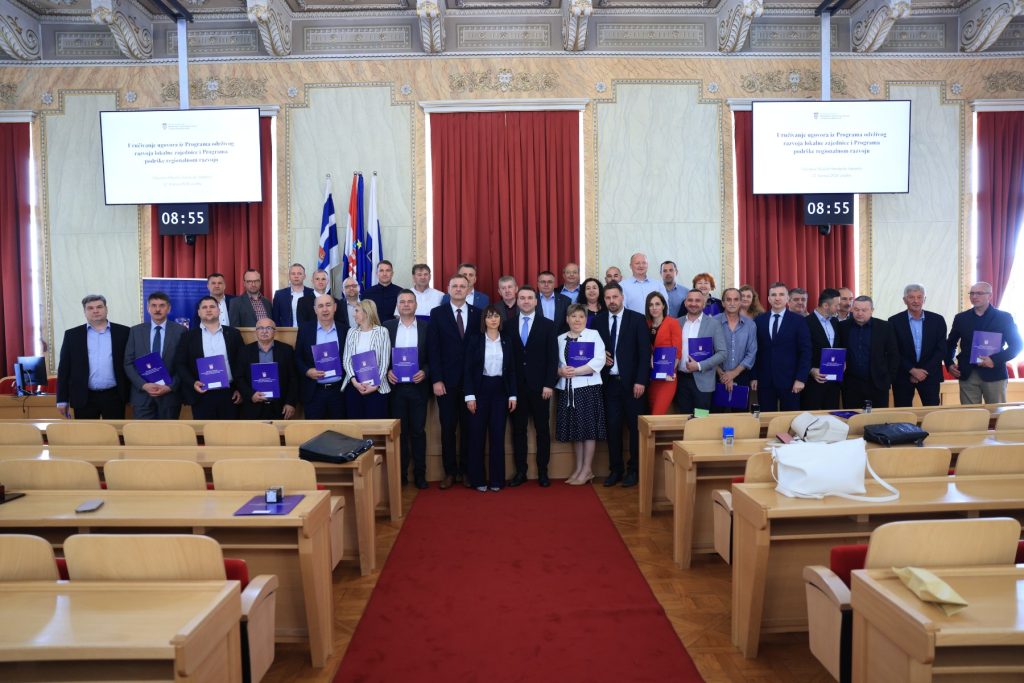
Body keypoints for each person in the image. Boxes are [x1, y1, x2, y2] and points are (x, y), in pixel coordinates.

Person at [428, 274, 482, 489]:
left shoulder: (478, 314)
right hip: (446, 382)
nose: (459, 289)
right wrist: (436, 379)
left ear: (469, 289)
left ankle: (467, 471)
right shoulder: (437, 313)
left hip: (472, 383)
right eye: (455, 286)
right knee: (448, 428)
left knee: (469, 428)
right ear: (448, 289)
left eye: (462, 286)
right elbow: (433, 349)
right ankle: (450, 472)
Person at [594, 282, 650, 487]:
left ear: (622, 297)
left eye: (615, 297)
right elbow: (593, 350)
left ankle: (633, 470)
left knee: (635, 430)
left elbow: (645, 354)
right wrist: (601, 356)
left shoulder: (637, 319)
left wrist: (641, 381)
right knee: (613, 428)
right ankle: (615, 470)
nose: (612, 301)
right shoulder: (598, 321)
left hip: (633, 385)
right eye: (608, 298)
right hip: (609, 384)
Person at [508, 285, 558, 487]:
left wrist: (549, 384)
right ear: (517, 301)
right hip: (517, 389)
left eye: (530, 298)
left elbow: (552, 358)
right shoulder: (507, 325)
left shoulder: (548, 325)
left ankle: (543, 472)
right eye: (522, 298)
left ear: (536, 301)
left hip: (541, 388)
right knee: (518, 431)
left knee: (542, 431)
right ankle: (521, 471)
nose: (526, 301)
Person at [464, 305, 517, 492]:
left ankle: (496, 480)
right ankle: (477, 479)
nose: (493, 319)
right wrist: (469, 396)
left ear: (501, 319)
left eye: (496, 316)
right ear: (484, 320)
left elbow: (512, 370)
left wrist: (513, 395)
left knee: (497, 436)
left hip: (500, 392)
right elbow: (468, 370)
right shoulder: (475, 340)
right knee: (476, 436)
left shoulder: (507, 340)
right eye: (489, 316)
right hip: (480, 391)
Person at [945, 281, 1023, 404]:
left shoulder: (1004, 317)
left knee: (996, 412)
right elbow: (950, 344)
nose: (974, 296)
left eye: (979, 293)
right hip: (967, 373)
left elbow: (1017, 345)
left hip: (994, 373)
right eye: (972, 293)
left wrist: (994, 360)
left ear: (990, 296)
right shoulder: (961, 318)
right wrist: (949, 363)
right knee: (970, 413)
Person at [384, 290, 431, 489]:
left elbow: (433, 356)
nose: (406, 304)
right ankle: (401, 475)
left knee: (418, 432)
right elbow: (382, 355)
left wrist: (425, 372)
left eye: (410, 301)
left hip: (418, 388)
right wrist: (387, 371)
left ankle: (420, 475)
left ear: (416, 305)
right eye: (402, 301)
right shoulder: (387, 327)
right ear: (397, 305)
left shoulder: (427, 327)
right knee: (399, 434)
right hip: (396, 389)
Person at [56, 294, 130, 419]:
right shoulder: (72, 335)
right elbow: (64, 369)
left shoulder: (124, 332)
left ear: (106, 309)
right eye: (90, 308)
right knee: (86, 432)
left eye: (99, 307)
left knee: (115, 430)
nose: (95, 311)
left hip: (115, 396)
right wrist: (62, 399)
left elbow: (130, 363)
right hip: (84, 396)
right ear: (84, 312)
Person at [557, 304, 607, 486]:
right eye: (573, 316)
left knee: (588, 431)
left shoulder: (593, 335)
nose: (577, 320)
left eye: (581, 316)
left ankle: (587, 470)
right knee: (576, 432)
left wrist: (575, 371)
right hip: (568, 389)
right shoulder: (560, 338)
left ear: (586, 319)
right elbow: (555, 363)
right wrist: (560, 371)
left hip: (587, 388)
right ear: (567, 319)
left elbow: (599, 360)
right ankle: (579, 469)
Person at [123, 291, 187, 419]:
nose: (157, 309)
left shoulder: (180, 331)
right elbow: (128, 363)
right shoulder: (135, 331)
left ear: (169, 308)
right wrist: (143, 385)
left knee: (168, 432)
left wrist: (170, 387)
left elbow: (185, 364)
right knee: (143, 432)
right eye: (153, 305)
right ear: (148, 308)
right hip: (142, 396)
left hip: (169, 396)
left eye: (162, 305)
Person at [182, 296, 244, 419]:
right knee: (205, 430)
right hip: (201, 394)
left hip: (230, 394)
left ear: (219, 310)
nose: (208, 310)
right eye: (204, 307)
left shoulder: (234, 334)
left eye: (212, 306)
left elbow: (242, 363)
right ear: (199, 312)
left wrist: (240, 389)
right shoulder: (188, 337)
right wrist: (193, 383)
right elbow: (180, 364)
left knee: (229, 430)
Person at [752, 282, 811, 411]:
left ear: (787, 298)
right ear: (769, 299)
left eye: (781, 294)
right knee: (765, 418)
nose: (777, 298)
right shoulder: (759, 320)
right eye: (773, 295)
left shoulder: (798, 321)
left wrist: (801, 379)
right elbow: (755, 351)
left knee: (790, 419)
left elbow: (806, 352)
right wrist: (754, 376)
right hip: (765, 381)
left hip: (791, 381)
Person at [889, 284, 948, 407]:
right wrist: (912, 370)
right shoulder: (894, 321)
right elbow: (893, 351)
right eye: (911, 297)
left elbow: (941, 349)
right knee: (903, 412)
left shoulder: (937, 320)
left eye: (919, 297)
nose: (915, 301)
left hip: (930, 375)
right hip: (903, 375)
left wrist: (924, 371)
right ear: (904, 300)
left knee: (932, 412)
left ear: (924, 299)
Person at [837, 296, 900, 409]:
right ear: (852, 309)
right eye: (856, 309)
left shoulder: (885, 327)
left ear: (872, 310)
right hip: (851, 385)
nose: (860, 313)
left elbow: (894, 355)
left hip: (878, 384)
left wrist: (889, 379)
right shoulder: (843, 327)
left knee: (878, 418)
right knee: (852, 417)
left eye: (864, 310)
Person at [295, 294, 349, 419]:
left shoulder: (345, 330)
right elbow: (297, 357)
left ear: (335, 307)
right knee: (315, 430)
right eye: (320, 306)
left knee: (339, 430)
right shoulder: (305, 330)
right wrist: (307, 371)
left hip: (339, 392)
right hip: (314, 392)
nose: (325, 309)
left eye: (328, 305)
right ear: (315, 310)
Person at [675, 289, 727, 413]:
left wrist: (699, 365)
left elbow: (722, 353)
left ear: (703, 304)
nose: (693, 303)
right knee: (685, 417)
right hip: (680, 381)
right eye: (690, 300)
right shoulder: (677, 323)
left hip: (703, 382)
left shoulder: (714, 324)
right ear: (685, 303)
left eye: (697, 300)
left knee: (701, 418)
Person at [237, 318, 298, 419]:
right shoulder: (244, 351)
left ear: (274, 331)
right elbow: (239, 377)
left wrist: (290, 402)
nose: (264, 331)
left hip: (280, 406)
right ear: (256, 331)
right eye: (260, 328)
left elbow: (293, 378)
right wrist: (251, 395)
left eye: (268, 328)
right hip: (253, 406)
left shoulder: (286, 350)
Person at [342, 300, 391, 419]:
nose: (354, 314)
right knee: (355, 426)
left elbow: (385, 362)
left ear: (366, 312)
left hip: (377, 389)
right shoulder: (351, 332)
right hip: (354, 387)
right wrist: (355, 382)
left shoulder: (382, 331)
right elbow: (346, 360)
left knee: (375, 426)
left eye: (357, 311)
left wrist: (375, 385)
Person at [713, 287, 757, 411]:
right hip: (717, 376)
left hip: (742, 376)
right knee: (716, 416)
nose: (732, 303)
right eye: (728, 299)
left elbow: (751, 352)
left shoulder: (750, 325)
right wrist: (723, 374)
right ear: (723, 303)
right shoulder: (712, 322)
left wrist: (733, 373)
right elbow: (709, 351)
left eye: (736, 299)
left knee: (740, 417)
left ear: (740, 302)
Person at [802, 288, 842, 410]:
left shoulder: (835, 322)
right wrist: (810, 370)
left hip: (833, 383)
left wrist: (843, 361)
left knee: (831, 416)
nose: (839, 308)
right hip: (813, 382)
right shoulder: (805, 323)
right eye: (836, 305)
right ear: (825, 305)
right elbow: (800, 351)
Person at [645, 292, 681, 415]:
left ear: (663, 306)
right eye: (651, 305)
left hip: (667, 378)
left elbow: (677, 352)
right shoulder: (646, 324)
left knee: (657, 414)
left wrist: (669, 371)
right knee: (651, 414)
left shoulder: (672, 323)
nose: (654, 308)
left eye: (657, 304)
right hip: (651, 378)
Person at [271, 263, 314, 328]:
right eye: (293, 274)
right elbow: (275, 318)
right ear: (289, 276)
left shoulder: (312, 293)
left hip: (308, 332)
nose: (296, 276)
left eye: (299, 273)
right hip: (286, 332)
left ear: (304, 276)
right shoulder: (279, 295)